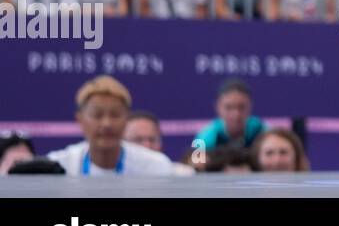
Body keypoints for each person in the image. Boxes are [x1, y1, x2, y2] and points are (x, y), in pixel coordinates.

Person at [45, 77, 176, 176]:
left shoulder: (155, 167)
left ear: (127, 119)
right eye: (97, 115)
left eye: (115, 115)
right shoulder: (58, 167)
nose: (107, 124)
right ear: (80, 120)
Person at [193, 80, 265, 160]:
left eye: (241, 107)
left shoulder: (263, 131)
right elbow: (196, 165)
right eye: (229, 107)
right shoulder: (204, 137)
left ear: (250, 106)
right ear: (218, 107)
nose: (236, 114)